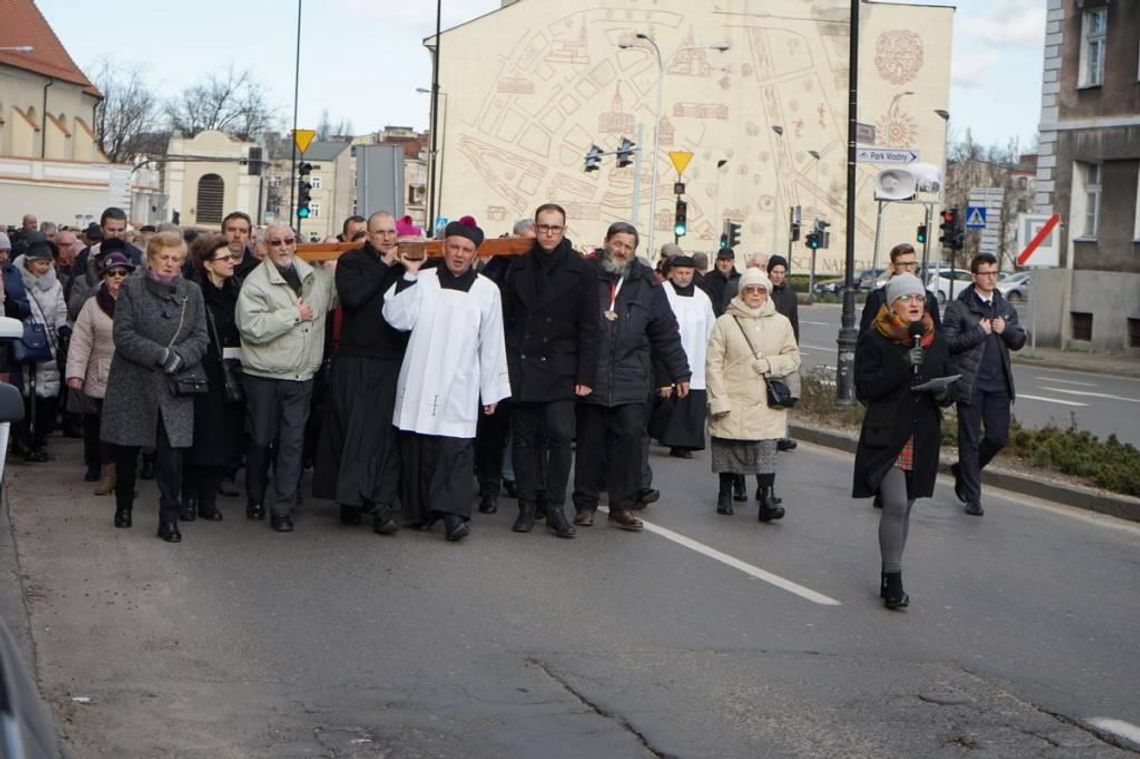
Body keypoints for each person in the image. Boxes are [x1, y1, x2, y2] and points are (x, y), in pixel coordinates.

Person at [383, 216, 510, 542]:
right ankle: (422, 512)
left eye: (466, 250)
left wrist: (491, 391)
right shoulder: (422, 279)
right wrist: (408, 274)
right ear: (443, 247)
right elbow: (397, 318)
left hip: (460, 380)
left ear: (475, 255)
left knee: (455, 449)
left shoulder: (487, 290)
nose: (458, 254)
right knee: (420, 446)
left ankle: (454, 516)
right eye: (453, 247)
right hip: (422, 374)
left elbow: (492, 341)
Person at [572, 222, 691, 532]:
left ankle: (621, 506)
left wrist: (680, 371)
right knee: (589, 443)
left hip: (631, 377)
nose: (621, 250)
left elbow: (666, 331)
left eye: (628, 245)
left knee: (629, 444)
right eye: (617, 243)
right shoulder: (587, 275)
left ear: (634, 251)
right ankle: (584, 505)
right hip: (592, 375)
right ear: (606, 242)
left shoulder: (648, 284)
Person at [853, 273, 955, 609]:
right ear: (892, 305)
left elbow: (951, 383)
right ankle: (895, 578)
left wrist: (943, 391)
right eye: (907, 298)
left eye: (919, 299)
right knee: (895, 503)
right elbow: (865, 389)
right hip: (887, 432)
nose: (914, 304)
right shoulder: (874, 339)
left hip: (922, 433)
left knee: (907, 506)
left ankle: (887, 570)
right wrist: (901, 366)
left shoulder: (935, 340)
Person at [101, 232, 209, 542]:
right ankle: (123, 506)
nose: (171, 264)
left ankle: (169, 519)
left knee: (172, 456)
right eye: (166, 258)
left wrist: (180, 357)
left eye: (177, 259)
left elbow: (201, 337)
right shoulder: (132, 287)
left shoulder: (192, 292)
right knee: (127, 449)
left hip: (176, 382)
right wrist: (161, 355)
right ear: (151, 258)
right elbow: (123, 336)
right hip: (134, 379)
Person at [502, 203, 600, 537]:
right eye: (543, 227)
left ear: (564, 230)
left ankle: (556, 507)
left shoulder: (581, 270)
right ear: (535, 228)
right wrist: (509, 365)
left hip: (562, 365)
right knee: (525, 440)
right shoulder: (518, 268)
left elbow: (591, 326)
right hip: (525, 364)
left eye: (555, 228)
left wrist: (586, 376)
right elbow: (509, 321)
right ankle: (527, 506)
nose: (548, 234)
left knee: (560, 437)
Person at [236, 223, 337, 532]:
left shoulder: (316, 278)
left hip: (301, 375)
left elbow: (341, 294)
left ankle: (282, 506)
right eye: (276, 241)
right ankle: (255, 497)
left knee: (292, 443)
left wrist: (334, 262)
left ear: (297, 243)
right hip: (264, 374)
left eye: (289, 240)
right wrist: (293, 315)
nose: (283, 246)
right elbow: (250, 327)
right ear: (265, 246)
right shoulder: (255, 283)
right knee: (261, 439)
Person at [313, 211, 408, 534]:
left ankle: (380, 503)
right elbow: (353, 298)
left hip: (392, 360)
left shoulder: (404, 264)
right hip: (355, 359)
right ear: (368, 234)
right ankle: (350, 499)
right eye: (379, 232)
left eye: (391, 232)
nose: (386, 238)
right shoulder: (353, 262)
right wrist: (382, 266)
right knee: (352, 430)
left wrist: (405, 269)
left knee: (382, 436)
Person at [706, 268, 799, 521]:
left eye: (761, 290)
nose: (755, 294)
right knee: (728, 446)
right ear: (742, 292)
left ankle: (767, 499)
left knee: (766, 449)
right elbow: (713, 363)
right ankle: (725, 493)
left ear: (767, 292)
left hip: (765, 401)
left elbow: (793, 357)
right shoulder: (725, 322)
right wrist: (718, 398)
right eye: (750, 289)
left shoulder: (781, 323)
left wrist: (771, 364)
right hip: (733, 395)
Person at [943, 253, 1026, 517]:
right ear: (974, 276)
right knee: (968, 440)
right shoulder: (960, 307)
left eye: (994, 272)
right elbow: (948, 344)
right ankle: (972, 497)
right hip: (971, 383)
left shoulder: (1004, 306)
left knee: (998, 437)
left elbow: (1019, 340)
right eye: (986, 273)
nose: (991, 278)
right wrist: (978, 332)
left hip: (999, 384)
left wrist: (1006, 330)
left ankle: (964, 471)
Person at [178, 235, 243, 523]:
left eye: (232, 257)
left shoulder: (237, 290)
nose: (232, 262)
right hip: (202, 370)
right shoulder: (194, 293)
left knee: (224, 436)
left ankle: (209, 498)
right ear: (207, 264)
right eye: (225, 258)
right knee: (200, 436)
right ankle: (189, 497)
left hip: (231, 370)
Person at [65, 252, 133, 495]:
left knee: (128, 430)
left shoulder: (137, 302)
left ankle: (126, 477)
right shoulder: (92, 305)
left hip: (133, 375)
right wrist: (75, 372)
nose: (117, 277)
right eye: (112, 273)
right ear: (104, 276)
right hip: (102, 374)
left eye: (123, 273)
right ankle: (107, 473)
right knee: (106, 428)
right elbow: (80, 341)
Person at [14, 240, 69, 462]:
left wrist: (62, 326)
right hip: (23, 341)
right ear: (29, 262)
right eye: (40, 262)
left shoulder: (55, 284)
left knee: (47, 395)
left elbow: (60, 308)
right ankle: (22, 440)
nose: (44, 267)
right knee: (24, 395)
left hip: (49, 343)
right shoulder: (17, 282)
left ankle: (39, 440)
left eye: (47, 262)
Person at [656, 255, 716, 458]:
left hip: (696, 356)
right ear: (671, 272)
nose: (683, 277)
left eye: (688, 273)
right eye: (680, 273)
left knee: (691, 402)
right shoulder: (661, 293)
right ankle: (664, 435)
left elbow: (711, 330)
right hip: (668, 356)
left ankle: (685, 442)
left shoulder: (702, 298)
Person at [859, 243, 941, 334]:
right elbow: (865, 333)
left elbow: (938, 333)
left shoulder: (928, 297)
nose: (909, 268)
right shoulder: (878, 297)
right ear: (893, 267)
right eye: (903, 264)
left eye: (912, 264)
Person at [220, 212, 259, 280]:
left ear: (249, 237)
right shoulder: (209, 265)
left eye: (243, 231)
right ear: (223, 234)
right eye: (231, 230)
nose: (237, 235)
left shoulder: (258, 269)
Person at [704, 248, 740, 317]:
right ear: (716, 261)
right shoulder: (707, 279)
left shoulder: (740, 279)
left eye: (728, 261)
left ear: (733, 262)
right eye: (722, 260)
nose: (725, 264)